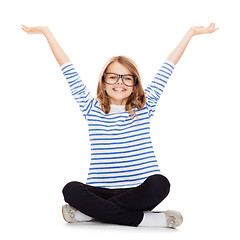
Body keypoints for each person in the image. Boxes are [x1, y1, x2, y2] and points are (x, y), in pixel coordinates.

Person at [21, 23, 219, 228]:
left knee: (160, 183)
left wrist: (191, 33)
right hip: (99, 190)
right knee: (70, 189)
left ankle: (91, 215)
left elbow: (167, 68)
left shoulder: (145, 106)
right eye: (113, 76)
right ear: (104, 82)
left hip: (138, 192)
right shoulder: (91, 108)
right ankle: (148, 220)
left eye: (127, 78)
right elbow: (67, 69)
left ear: (135, 85)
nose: (120, 82)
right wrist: (46, 32)